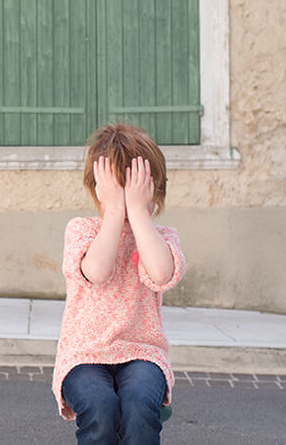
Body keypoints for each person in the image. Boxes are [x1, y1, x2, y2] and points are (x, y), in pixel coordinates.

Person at [52, 123, 186, 444]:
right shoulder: (82, 231)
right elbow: (97, 271)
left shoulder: (161, 238)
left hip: (142, 353)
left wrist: (139, 214)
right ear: (98, 190)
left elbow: (160, 274)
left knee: (139, 406)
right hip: (85, 355)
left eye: (136, 190)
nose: (126, 204)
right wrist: (114, 213)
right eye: (117, 192)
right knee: (101, 408)